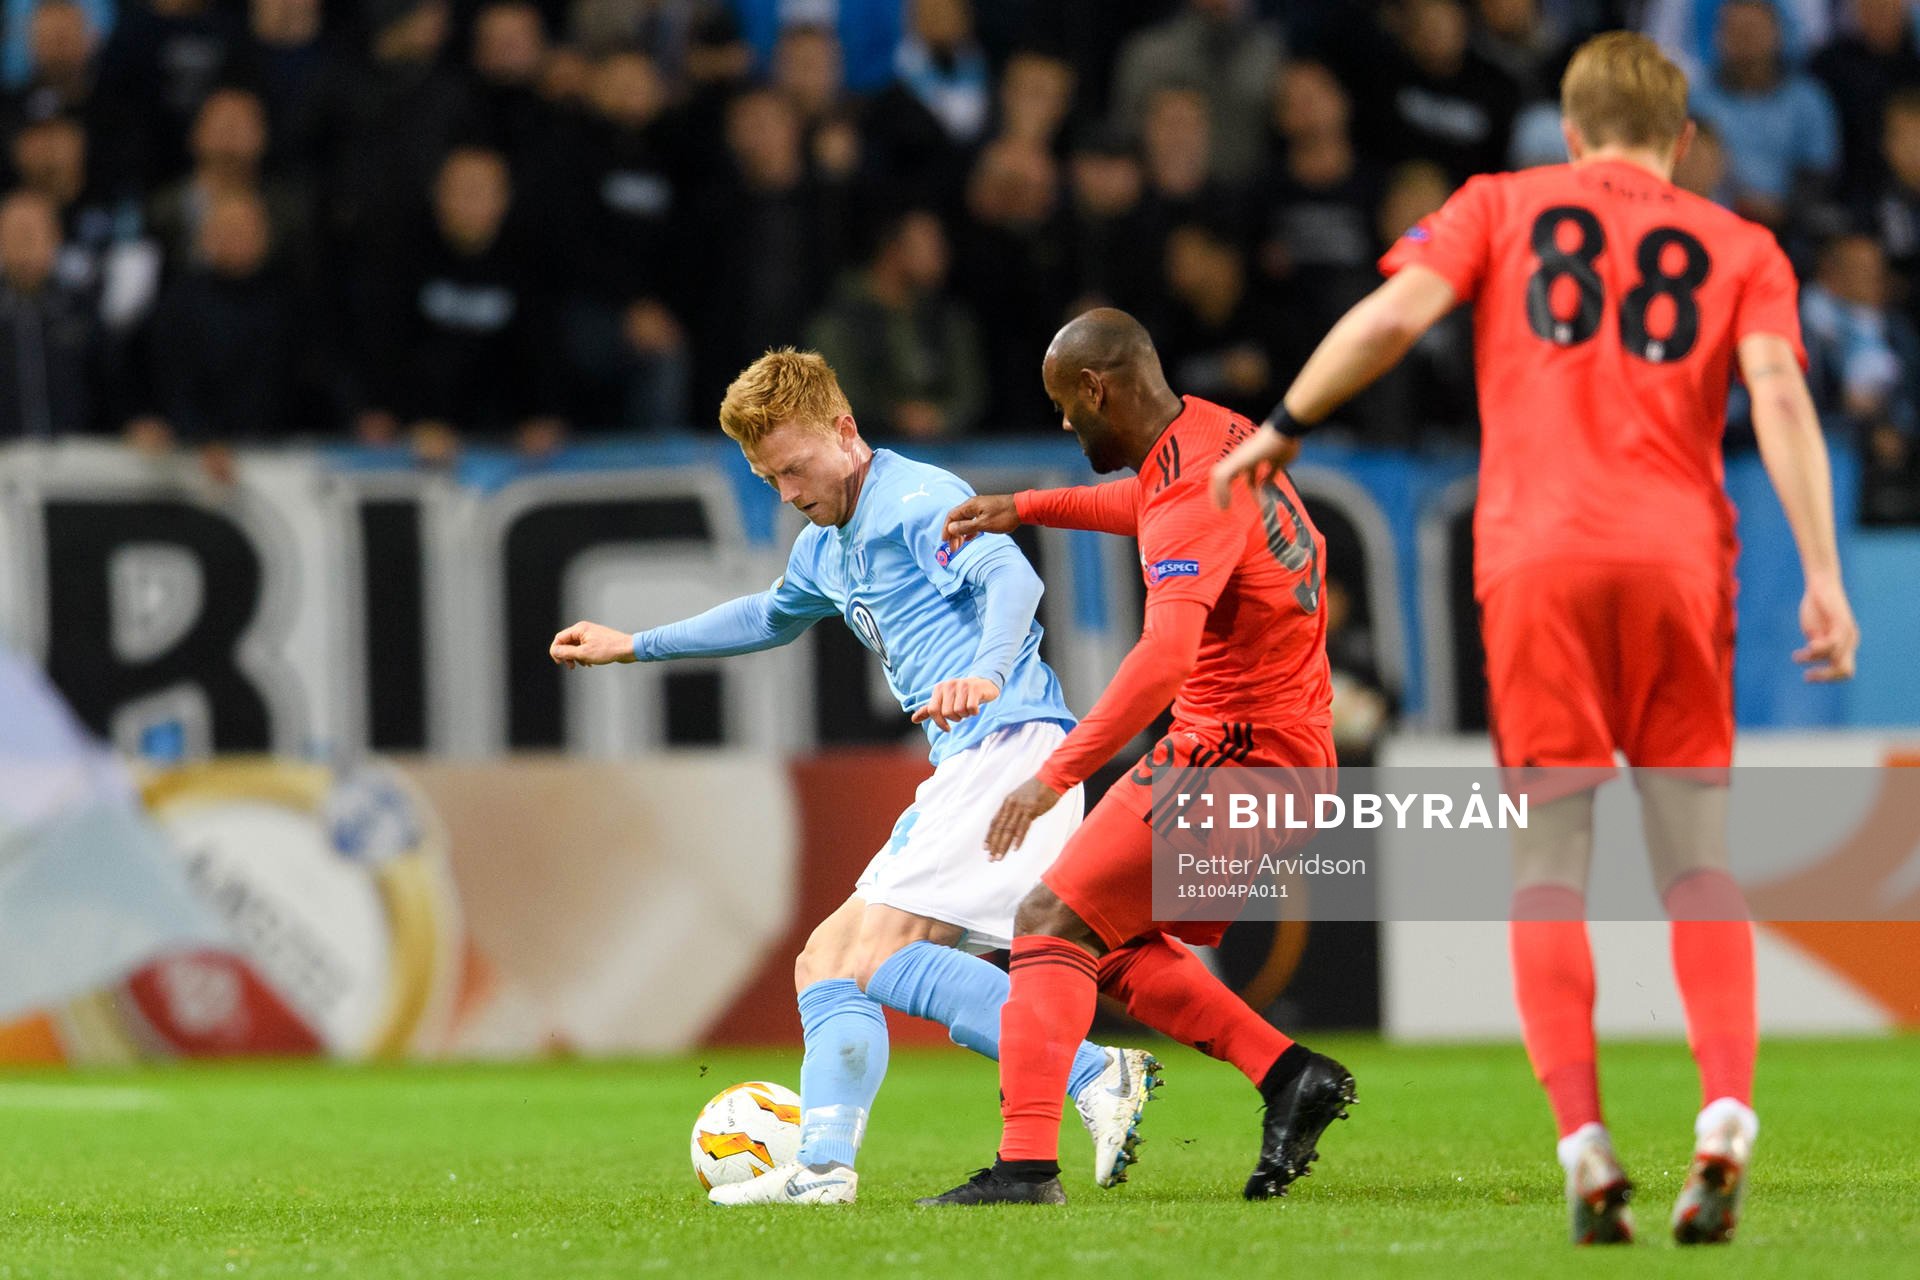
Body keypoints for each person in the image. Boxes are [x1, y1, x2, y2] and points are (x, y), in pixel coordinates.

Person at [1213, 32, 1860, 1246]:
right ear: (1679, 141)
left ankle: (1584, 1138)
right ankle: (1724, 1111)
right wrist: (1823, 573)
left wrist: (1287, 421)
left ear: (1568, 132)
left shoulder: (1500, 203)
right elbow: (1778, 393)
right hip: (1678, 562)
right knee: (1697, 863)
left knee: (1549, 861)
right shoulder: (1741, 245)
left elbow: (1396, 314)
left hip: (1537, 559)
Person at [548, 348, 1157, 1207]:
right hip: (969, 764)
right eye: (769, 480)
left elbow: (1011, 574)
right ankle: (825, 1169)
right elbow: (767, 615)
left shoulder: (917, 502)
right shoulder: (826, 545)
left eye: (795, 468)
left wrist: (987, 669)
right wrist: (633, 643)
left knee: (879, 960)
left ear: (845, 432)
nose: (789, 492)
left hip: (1009, 749)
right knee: (826, 962)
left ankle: (1095, 1070)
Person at [919, 308, 1353, 1208]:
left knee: (1045, 917)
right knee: (1097, 942)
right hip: (1276, 750)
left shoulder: (1193, 486)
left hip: (1237, 755)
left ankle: (1026, 1170)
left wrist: (1053, 777)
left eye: (1062, 406)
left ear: (1095, 388)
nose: (1063, 425)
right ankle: (1287, 1075)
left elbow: (1164, 658)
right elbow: (1157, 508)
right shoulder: (1211, 435)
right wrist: (1029, 508)